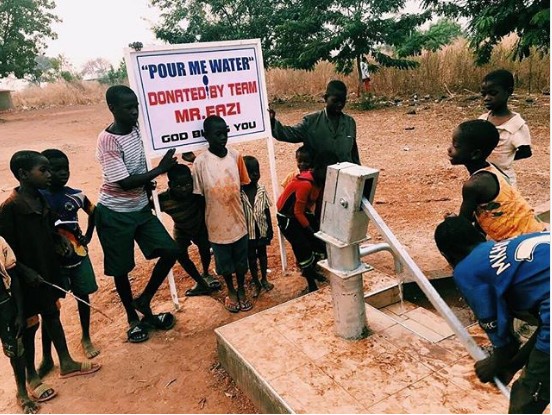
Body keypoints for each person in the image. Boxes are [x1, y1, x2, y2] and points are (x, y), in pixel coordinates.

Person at [0, 151, 101, 402]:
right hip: (25, 280)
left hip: (46, 271)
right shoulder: (11, 208)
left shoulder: (39, 199)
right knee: (29, 326)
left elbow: (50, 228)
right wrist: (24, 270)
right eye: (42, 171)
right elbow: (5, 251)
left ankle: (65, 361)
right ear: (23, 175)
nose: (49, 175)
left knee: (53, 315)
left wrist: (58, 240)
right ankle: (31, 376)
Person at [434, 216, 549, 414]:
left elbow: (506, 346)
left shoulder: (466, 271)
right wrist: (512, 366)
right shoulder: (508, 248)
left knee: (526, 400)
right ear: (480, 236)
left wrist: (494, 363)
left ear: (447, 256)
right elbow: (545, 326)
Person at [95, 85, 179, 343]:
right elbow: (124, 182)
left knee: (171, 251)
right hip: (114, 212)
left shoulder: (136, 130)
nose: (134, 112)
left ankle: (143, 300)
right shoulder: (107, 140)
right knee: (121, 269)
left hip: (140, 208)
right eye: (127, 108)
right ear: (112, 108)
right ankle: (132, 318)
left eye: (136, 107)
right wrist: (159, 170)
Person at [38, 149, 99, 377]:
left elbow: (94, 212)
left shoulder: (76, 196)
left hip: (78, 256)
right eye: (55, 169)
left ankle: (86, 336)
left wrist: (88, 236)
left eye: (66, 168)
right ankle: (47, 356)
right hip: (52, 263)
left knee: (83, 296)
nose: (62, 173)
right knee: (50, 308)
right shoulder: (38, 197)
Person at [447, 119, 545, 241]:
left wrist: (452, 221)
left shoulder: (473, 185)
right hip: (537, 232)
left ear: (475, 154)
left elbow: (463, 225)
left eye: (456, 146)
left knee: (449, 236)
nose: (449, 149)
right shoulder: (493, 169)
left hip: (520, 244)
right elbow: (486, 212)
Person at [192, 115, 252, 313]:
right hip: (216, 224)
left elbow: (244, 186)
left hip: (238, 220)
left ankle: (242, 288)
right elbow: (199, 198)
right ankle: (231, 290)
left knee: (241, 262)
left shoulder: (236, 156)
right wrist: (202, 227)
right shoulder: (200, 163)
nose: (222, 138)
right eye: (217, 134)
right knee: (224, 264)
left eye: (225, 133)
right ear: (206, 136)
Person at [158, 163, 221, 296]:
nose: (184, 189)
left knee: (204, 249)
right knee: (179, 254)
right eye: (179, 186)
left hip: (199, 227)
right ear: (170, 185)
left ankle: (205, 273)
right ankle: (201, 282)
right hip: (181, 229)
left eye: (187, 184)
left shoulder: (196, 193)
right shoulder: (163, 200)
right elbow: (150, 204)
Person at [277, 153, 331, 293]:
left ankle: (311, 272)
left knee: (317, 243)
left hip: (299, 213)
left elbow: (315, 205)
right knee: (303, 246)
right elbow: (297, 212)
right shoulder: (305, 184)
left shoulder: (318, 183)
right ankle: (311, 282)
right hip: (287, 217)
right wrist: (310, 231)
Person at [270, 80, 360, 164]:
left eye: (342, 101)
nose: (340, 104)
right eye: (335, 101)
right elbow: (288, 134)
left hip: (345, 177)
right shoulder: (311, 121)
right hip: (319, 178)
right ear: (325, 98)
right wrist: (272, 121)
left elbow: (353, 154)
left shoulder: (350, 122)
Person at [0, 236, 38, 414]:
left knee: (15, 349)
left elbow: (13, 276)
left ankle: (22, 392)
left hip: (3, 303)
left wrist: (20, 313)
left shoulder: (0, 243)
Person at [479, 69, 532, 188]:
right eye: (484, 94)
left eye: (493, 93)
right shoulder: (482, 120)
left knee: (505, 205)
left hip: (505, 181)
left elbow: (526, 152)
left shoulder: (516, 125)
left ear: (509, 92)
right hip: (482, 177)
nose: (486, 98)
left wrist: (506, 158)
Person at [241, 156, 274, 298]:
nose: (255, 174)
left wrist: (270, 229)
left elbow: (266, 210)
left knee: (262, 255)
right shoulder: (239, 193)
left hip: (261, 231)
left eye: (257, 171)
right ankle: (255, 281)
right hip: (248, 234)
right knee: (251, 258)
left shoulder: (262, 190)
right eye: (250, 172)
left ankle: (264, 279)